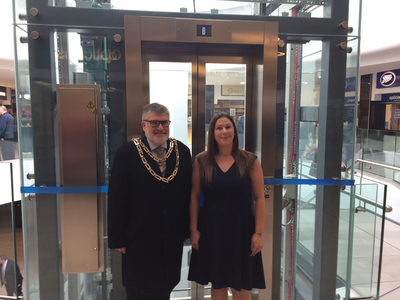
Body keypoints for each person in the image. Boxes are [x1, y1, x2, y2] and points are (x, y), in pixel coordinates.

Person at [107, 103, 192, 300]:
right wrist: (118, 237)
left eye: (164, 122)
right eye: (154, 123)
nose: (160, 128)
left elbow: (187, 194)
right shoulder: (127, 153)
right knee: (138, 287)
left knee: (166, 284)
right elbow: (117, 198)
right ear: (143, 125)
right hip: (138, 237)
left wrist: (186, 229)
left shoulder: (182, 152)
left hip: (170, 236)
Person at [188, 112, 266, 299]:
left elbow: (259, 198)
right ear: (212, 133)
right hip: (212, 229)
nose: (224, 131)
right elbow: (194, 197)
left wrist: (258, 233)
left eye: (228, 127)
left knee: (241, 286)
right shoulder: (202, 161)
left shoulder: (249, 160)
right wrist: (193, 230)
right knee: (218, 282)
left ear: (234, 132)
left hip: (242, 230)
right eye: (219, 127)